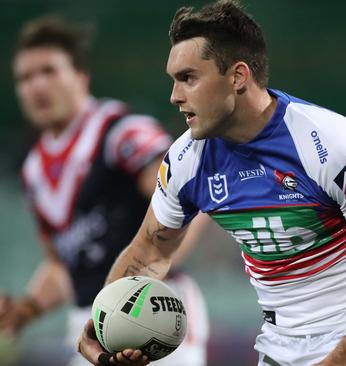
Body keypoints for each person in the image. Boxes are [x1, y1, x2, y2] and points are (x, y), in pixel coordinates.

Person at [76, 1, 346, 365]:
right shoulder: (185, 160)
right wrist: (105, 323)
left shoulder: (336, 146)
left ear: (238, 77)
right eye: (174, 80)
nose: (175, 95)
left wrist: (340, 360)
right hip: (279, 349)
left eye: (188, 78)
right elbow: (150, 252)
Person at [3, 16, 209, 366]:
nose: (36, 85)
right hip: (89, 327)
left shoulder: (120, 132)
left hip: (151, 318)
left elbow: (189, 196)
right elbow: (62, 265)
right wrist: (25, 310)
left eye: (49, 71)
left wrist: (144, 281)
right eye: (24, 78)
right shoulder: (33, 167)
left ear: (81, 76)